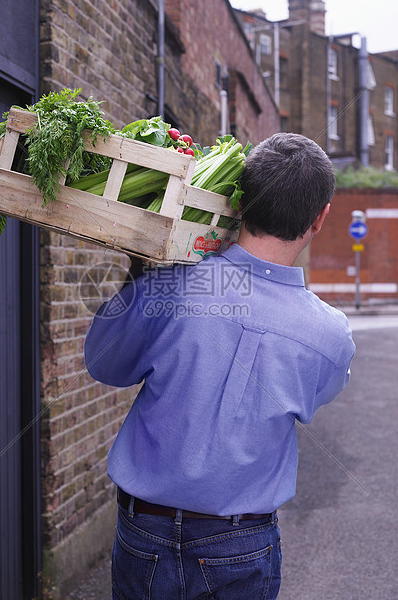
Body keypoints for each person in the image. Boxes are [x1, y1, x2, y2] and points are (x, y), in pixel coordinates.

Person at [84, 132, 355, 599]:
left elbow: (103, 363)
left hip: (143, 530)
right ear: (321, 217)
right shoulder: (331, 336)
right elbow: (316, 395)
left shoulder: (167, 287)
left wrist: (138, 272)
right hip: (243, 544)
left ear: (239, 198)